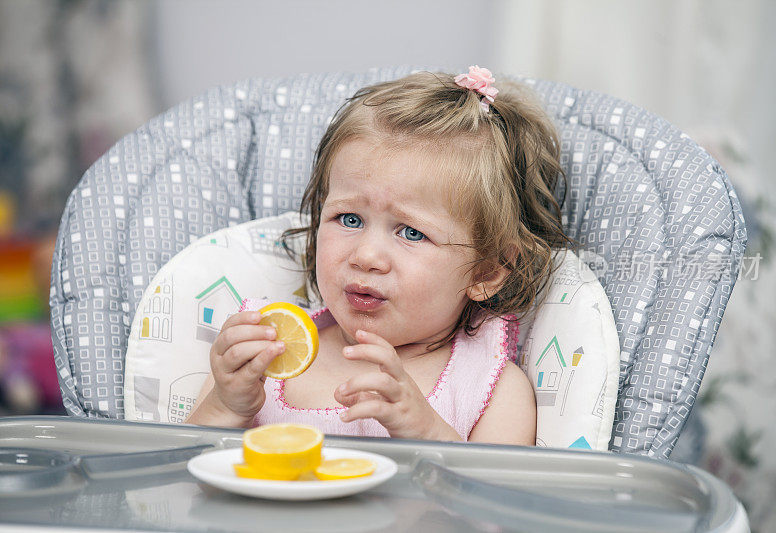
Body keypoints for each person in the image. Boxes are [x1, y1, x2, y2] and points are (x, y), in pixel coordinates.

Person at [185, 66, 571, 445]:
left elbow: (493, 505)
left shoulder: (492, 389)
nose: (366, 255)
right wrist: (225, 406)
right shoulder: (263, 352)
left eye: (412, 233)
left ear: (486, 271)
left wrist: (427, 433)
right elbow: (178, 482)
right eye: (349, 218)